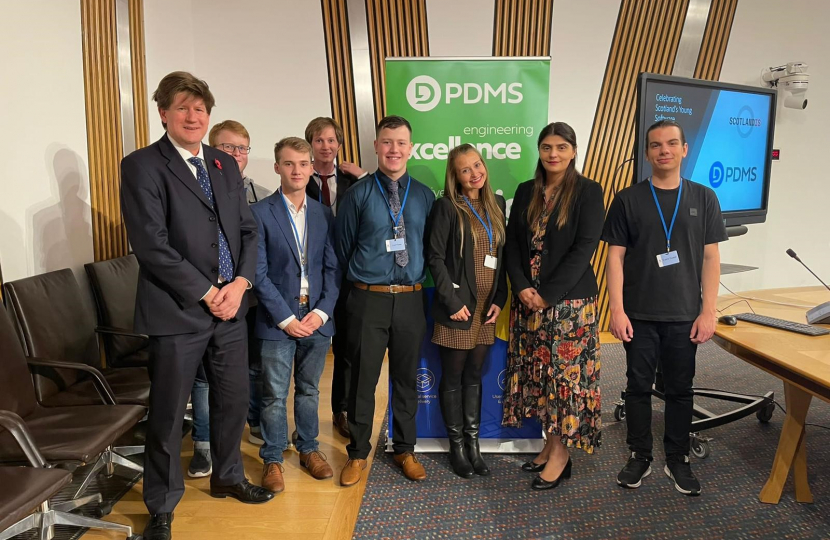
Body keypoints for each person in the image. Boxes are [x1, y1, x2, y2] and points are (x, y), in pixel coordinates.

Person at [120, 71, 273, 540]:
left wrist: (242, 283)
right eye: (182, 107)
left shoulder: (223, 165)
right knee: (168, 413)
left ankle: (228, 476)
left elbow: (247, 230)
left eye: (200, 109)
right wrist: (209, 292)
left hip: (231, 308)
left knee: (233, 400)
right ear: (163, 112)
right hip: (177, 310)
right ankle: (162, 504)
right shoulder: (142, 165)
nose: (193, 116)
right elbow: (152, 245)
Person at [603, 119, 726, 497]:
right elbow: (615, 258)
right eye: (656, 145)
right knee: (637, 387)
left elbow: (711, 258)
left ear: (684, 149)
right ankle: (639, 454)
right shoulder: (627, 199)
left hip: (684, 315)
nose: (664, 150)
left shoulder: (704, 198)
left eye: (672, 143)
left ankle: (678, 456)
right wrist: (617, 310)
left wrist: (709, 311)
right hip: (638, 314)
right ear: (647, 153)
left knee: (679, 388)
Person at [501, 122, 604, 491]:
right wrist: (523, 286)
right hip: (528, 302)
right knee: (540, 377)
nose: (553, 154)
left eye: (561, 147)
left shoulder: (589, 192)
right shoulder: (527, 190)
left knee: (564, 380)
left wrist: (548, 294)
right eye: (546, 147)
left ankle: (561, 454)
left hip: (570, 306)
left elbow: (583, 250)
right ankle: (550, 444)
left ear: (574, 151)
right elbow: (512, 244)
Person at [335, 115, 435, 486]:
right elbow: (342, 249)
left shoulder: (424, 195)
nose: (394, 149)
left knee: (406, 379)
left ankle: (404, 450)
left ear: (411, 148)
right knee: (363, 379)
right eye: (387, 142)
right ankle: (359, 453)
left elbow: (428, 248)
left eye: (401, 142)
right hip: (368, 299)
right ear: (376, 146)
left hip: (410, 299)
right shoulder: (357, 194)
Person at [251, 137, 340, 494]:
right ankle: (273, 457)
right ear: (277, 168)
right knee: (273, 393)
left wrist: (320, 313)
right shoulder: (259, 213)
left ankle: (308, 448)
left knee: (308, 390)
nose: (298, 170)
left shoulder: (322, 213)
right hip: (277, 318)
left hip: (316, 316)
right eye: (289, 164)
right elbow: (257, 273)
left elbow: (333, 268)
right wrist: (287, 318)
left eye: (303, 164)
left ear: (311, 167)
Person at [187, 120, 272, 479]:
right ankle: (203, 444)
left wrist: (240, 285)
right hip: (201, 299)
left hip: (245, 298)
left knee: (246, 371)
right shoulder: (196, 185)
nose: (236, 154)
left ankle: (244, 431)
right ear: (211, 149)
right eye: (228, 147)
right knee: (205, 379)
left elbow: (251, 240)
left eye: (242, 149)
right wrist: (213, 292)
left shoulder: (259, 193)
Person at [426, 144, 507, 478]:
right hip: (458, 310)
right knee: (455, 377)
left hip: (487, 310)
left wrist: (500, 298)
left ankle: (474, 445)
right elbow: (435, 259)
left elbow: (503, 259)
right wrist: (452, 302)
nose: (475, 173)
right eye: (465, 170)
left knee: (475, 375)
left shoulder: (497, 205)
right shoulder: (446, 207)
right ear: (455, 176)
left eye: (477, 165)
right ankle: (457, 447)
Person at [304, 117, 363, 439]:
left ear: (339, 145)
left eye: (331, 141)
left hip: (349, 275)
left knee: (348, 348)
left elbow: (380, 198)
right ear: (310, 144)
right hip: (311, 276)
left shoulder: (352, 180)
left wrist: (364, 174)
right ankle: (303, 420)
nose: (326, 146)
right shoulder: (299, 177)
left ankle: (341, 410)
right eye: (319, 140)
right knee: (309, 350)